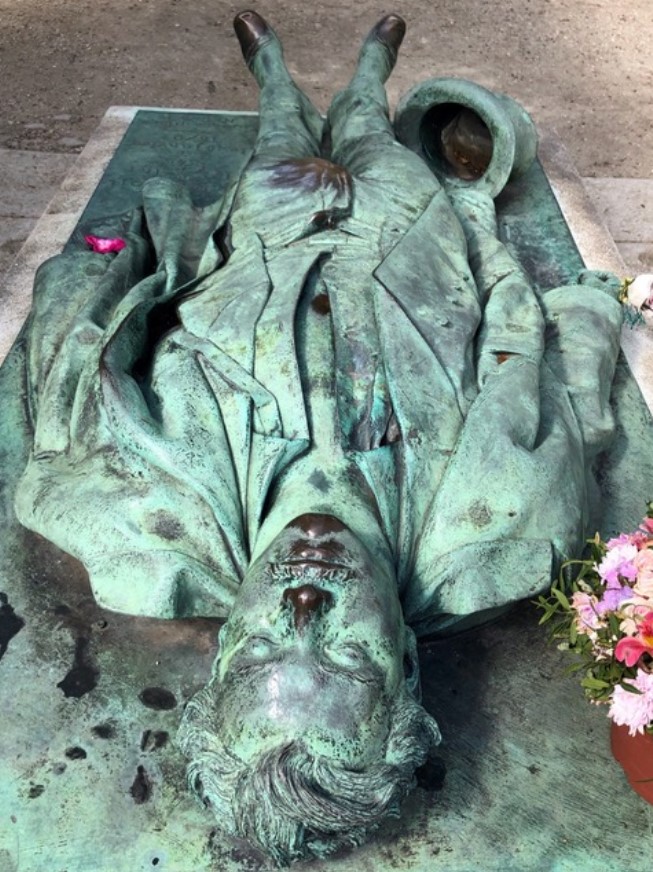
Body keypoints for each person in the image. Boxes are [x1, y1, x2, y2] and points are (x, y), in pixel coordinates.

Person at [15, 10, 623, 864]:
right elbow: (538, 367)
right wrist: (502, 249)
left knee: (274, 144)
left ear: (225, 646)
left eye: (263, 641)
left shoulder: (127, 525)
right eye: (344, 653)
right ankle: (371, 74)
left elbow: (76, 372)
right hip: (405, 253)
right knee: (374, 139)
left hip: (263, 254)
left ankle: (273, 75)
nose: (303, 603)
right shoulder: (510, 525)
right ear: (407, 662)